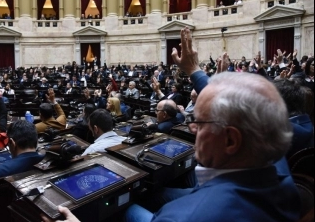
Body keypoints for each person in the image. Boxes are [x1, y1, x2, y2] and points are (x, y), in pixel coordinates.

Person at [122, 27, 300, 222]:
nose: (192, 128)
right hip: (218, 192)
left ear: (231, 140)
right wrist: (195, 71)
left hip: (208, 203)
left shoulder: (181, 217)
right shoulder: (272, 155)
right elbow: (233, 107)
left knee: (128, 209)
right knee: (164, 189)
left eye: (199, 122)